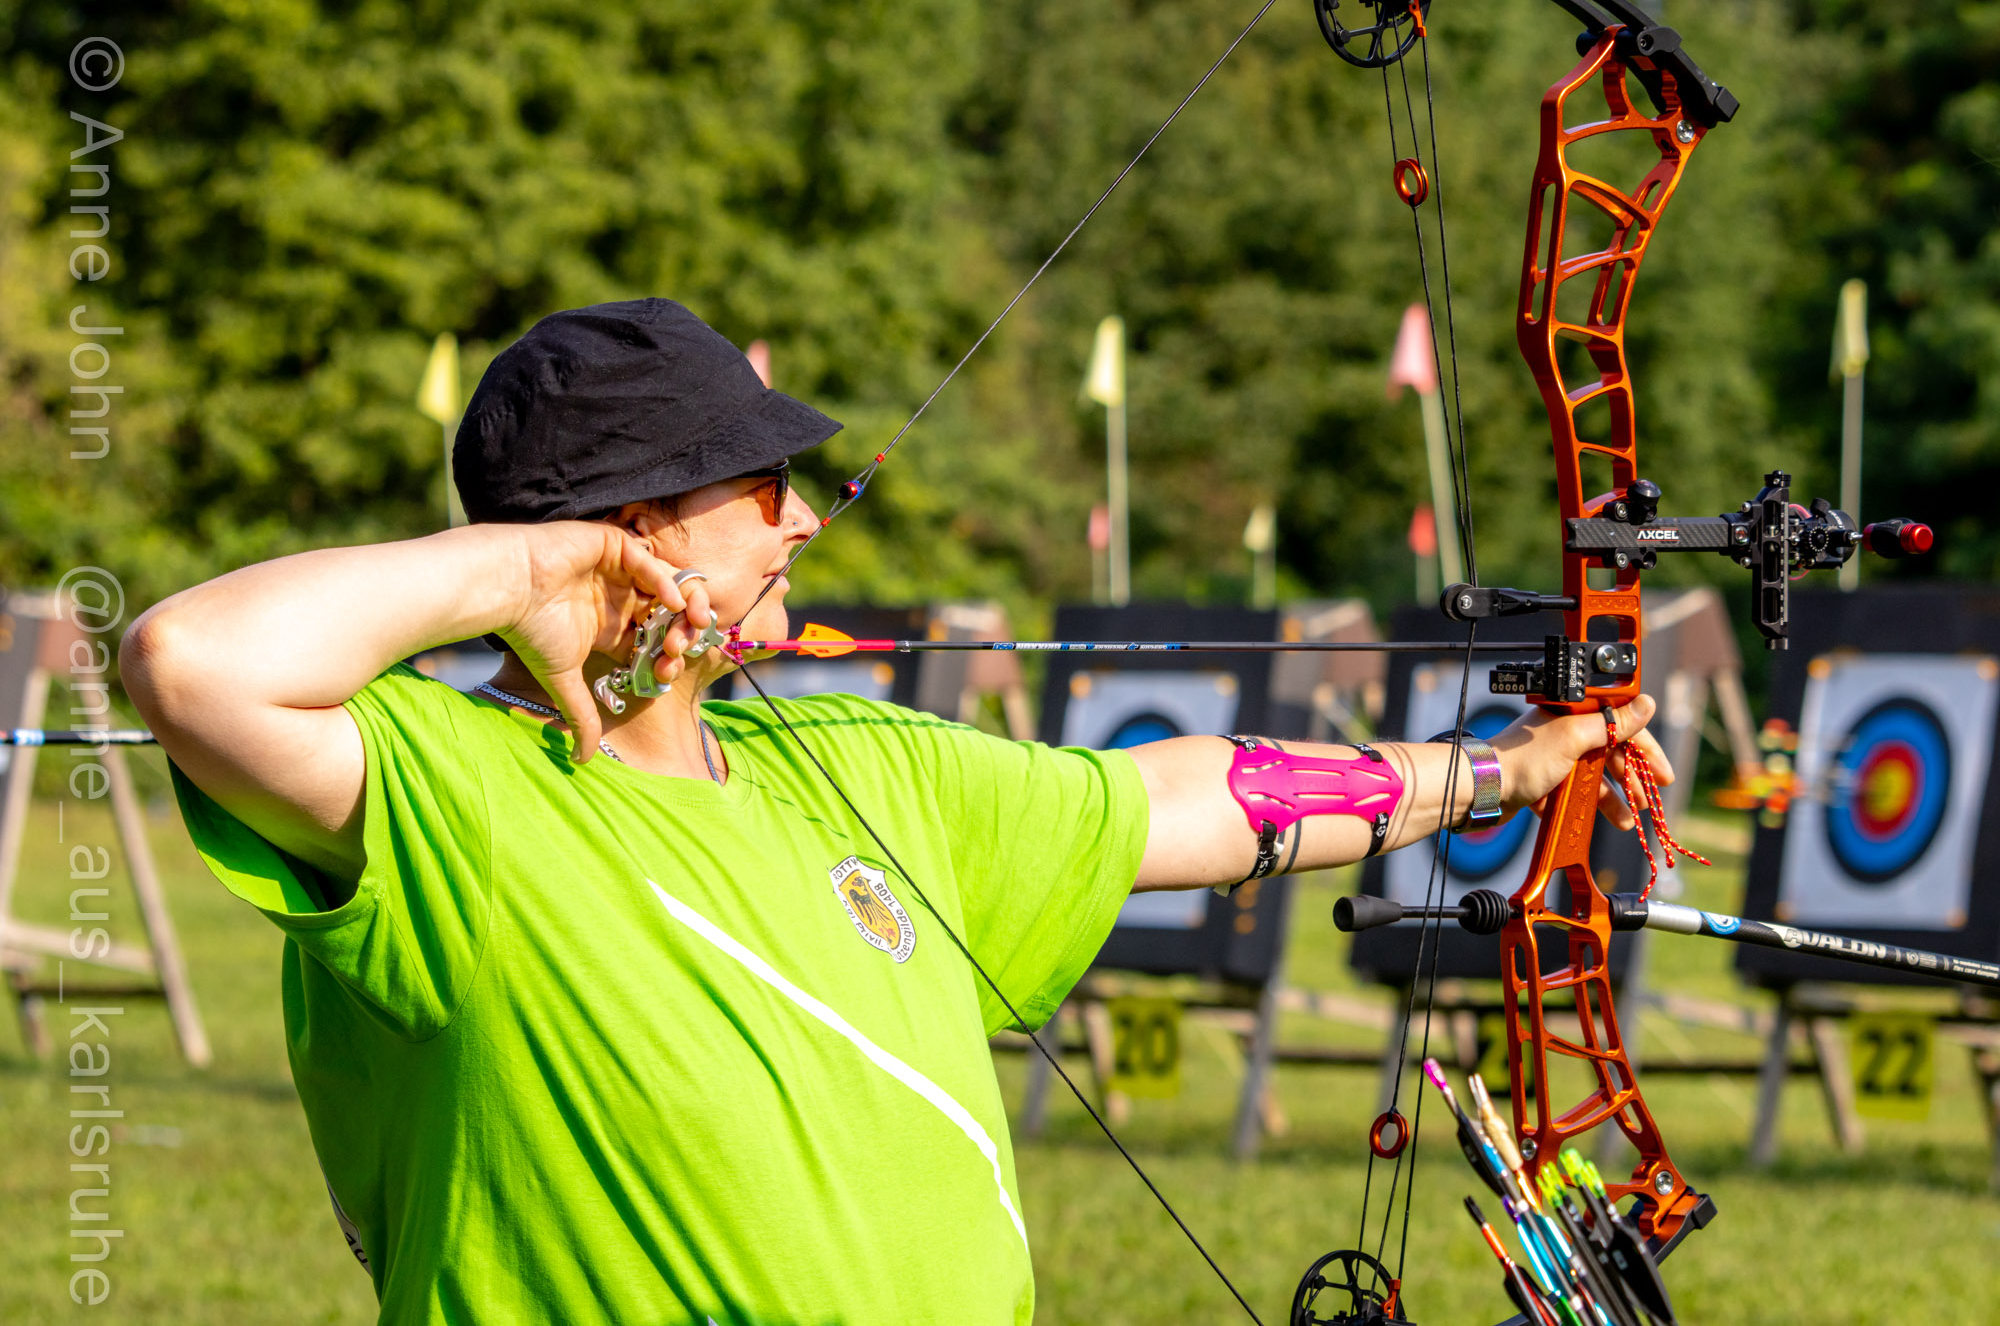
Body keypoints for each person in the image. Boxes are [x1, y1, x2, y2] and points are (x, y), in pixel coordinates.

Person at [122, 298, 1671, 1326]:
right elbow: (189, 661)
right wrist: (522, 570)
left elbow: (1177, 799)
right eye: (757, 486)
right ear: (636, 530)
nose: (804, 514)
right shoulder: (440, 790)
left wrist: (1498, 772)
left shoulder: (859, 764)